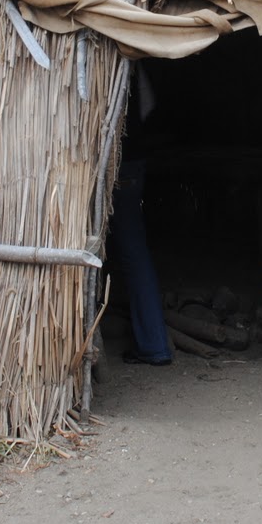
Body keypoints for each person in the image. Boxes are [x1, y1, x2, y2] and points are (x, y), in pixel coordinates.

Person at [109, 73, 172, 366]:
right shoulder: (134, 63)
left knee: (122, 249)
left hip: (112, 162)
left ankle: (151, 345)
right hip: (134, 160)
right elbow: (147, 105)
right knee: (134, 250)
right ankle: (153, 343)